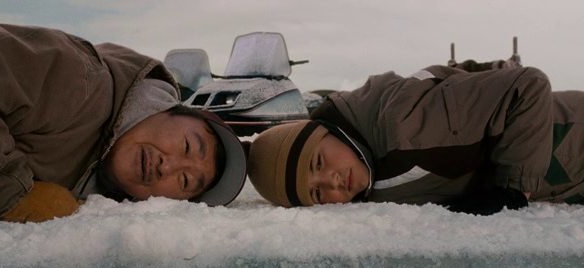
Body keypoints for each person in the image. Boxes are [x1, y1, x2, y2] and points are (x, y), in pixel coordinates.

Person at [0, 21, 247, 223]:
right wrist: (11, 193)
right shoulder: (83, 83)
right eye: (187, 146)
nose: (169, 166)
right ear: (170, 109)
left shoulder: (96, 174)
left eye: (184, 182)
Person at [247, 60, 584, 215]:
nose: (331, 182)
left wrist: (512, 189)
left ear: (327, 131)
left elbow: (528, 85)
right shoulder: (372, 165)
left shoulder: (403, 124)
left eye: (318, 162)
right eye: (317, 194)